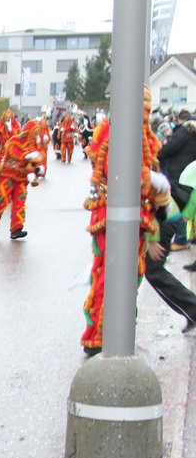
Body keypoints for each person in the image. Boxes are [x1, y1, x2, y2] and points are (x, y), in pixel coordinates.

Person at [80, 88, 163, 356]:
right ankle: (100, 334)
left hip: (123, 216)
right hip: (114, 216)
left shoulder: (131, 132)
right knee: (112, 276)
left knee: (120, 275)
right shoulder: (123, 134)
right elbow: (125, 175)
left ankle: (111, 329)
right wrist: (153, 183)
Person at [0, 120, 48, 240]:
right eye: (34, 132)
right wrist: (27, 158)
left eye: (37, 132)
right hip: (7, 176)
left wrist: (36, 169)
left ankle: (16, 229)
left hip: (22, 179)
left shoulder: (33, 146)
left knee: (20, 202)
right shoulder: (15, 141)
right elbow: (14, 153)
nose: (36, 135)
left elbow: (35, 161)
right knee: (2, 201)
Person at [144, 198, 196, 333]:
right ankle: (192, 310)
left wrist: (152, 240)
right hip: (165, 217)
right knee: (152, 270)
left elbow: (148, 202)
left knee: (153, 270)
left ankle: (193, 308)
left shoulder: (138, 178)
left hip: (163, 220)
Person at [158, 110, 196, 251]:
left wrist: (160, 153)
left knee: (177, 206)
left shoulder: (185, 131)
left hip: (178, 173)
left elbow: (170, 148)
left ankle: (181, 238)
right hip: (190, 174)